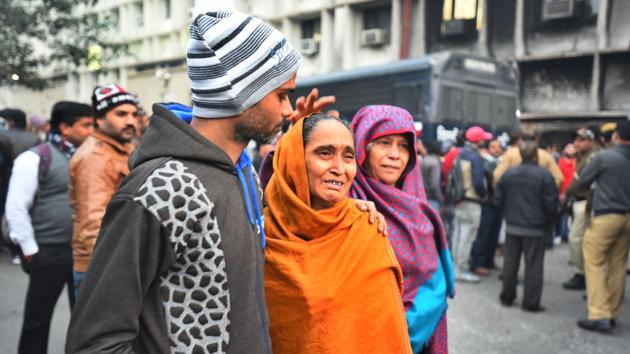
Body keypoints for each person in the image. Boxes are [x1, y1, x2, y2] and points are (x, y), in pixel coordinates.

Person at [65, 10, 338, 353]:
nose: (287, 110)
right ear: (240, 91)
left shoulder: (242, 171)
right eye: (281, 95)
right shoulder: (160, 189)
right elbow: (95, 342)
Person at [264, 113, 412, 353]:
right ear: (294, 159)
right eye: (324, 153)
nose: (339, 169)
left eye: (348, 156)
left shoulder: (366, 228)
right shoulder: (260, 233)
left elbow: (386, 334)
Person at [349, 105, 454, 353]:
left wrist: (404, 329)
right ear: (362, 146)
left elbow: (434, 285)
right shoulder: (342, 203)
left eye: (404, 145)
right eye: (384, 142)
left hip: (415, 336)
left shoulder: (418, 210)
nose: (396, 154)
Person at [5, 101, 93, 354]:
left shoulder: (88, 156)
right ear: (65, 128)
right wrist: (30, 249)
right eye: (85, 125)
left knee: (85, 321)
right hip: (48, 251)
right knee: (37, 319)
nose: (91, 130)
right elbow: (15, 207)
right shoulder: (35, 158)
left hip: (82, 250)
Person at [69, 83, 138, 295]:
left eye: (134, 114)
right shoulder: (95, 157)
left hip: (116, 260)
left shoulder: (120, 148)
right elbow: (94, 224)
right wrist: (110, 272)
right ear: (99, 119)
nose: (130, 121)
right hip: (101, 267)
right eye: (121, 114)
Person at [576, 120, 630, 333]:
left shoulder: (605, 157)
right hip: (628, 218)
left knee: (594, 262)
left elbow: (583, 181)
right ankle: (612, 312)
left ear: (616, 136)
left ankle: (600, 314)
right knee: (618, 265)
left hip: (607, 215)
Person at [495, 140, 558, 313]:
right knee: (534, 266)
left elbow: (498, 198)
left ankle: (507, 297)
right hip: (535, 227)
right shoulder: (544, 175)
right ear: (537, 155)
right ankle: (531, 303)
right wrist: (549, 222)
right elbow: (551, 203)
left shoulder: (509, 174)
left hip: (513, 224)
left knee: (510, 263)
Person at [451, 126, 492, 283]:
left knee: (457, 234)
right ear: (479, 140)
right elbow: (478, 182)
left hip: (458, 199)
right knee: (467, 237)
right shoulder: (475, 156)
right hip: (472, 200)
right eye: (484, 138)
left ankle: (455, 268)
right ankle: (461, 270)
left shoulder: (460, 153)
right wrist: (484, 195)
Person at [0, 109, 40, 264]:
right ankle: (19, 249)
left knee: (8, 212)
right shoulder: (34, 138)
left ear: (11, 121)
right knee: (22, 212)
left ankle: (11, 245)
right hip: (31, 181)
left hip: (6, 181)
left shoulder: (3, 137)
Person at [562, 127, 599, 290]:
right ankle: (583, 274)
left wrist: (566, 193)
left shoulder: (593, 156)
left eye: (581, 140)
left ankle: (582, 274)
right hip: (581, 201)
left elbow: (582, 181)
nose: (576, 143)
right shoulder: (583, 156)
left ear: (590, 141)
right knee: (580, 240)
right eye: (576, 139)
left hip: (587, 202)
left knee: (578, 239)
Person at [472, 138, 504, 275]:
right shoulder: (485, 162)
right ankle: (477, 263)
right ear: (488, 149)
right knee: (483, 234)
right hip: (487, 204)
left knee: (494, 234)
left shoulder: (502, 163)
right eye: (493, 147)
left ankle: (489, 261)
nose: (497, 149)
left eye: (498, 146)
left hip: (499, 204)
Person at [494, 131, 563, 188]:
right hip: (538, 200)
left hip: (514, 198)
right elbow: (558, 178)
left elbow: (497, 175)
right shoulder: (546, 155)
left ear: (520, 140)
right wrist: (546, 191)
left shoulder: (510, 153)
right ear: (536, 140)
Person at [420, 139, 444, 212]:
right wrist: (440, 199)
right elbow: (434, 184)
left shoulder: (422, 160)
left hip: (421, 196)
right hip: (431, 198)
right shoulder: (435, 163)